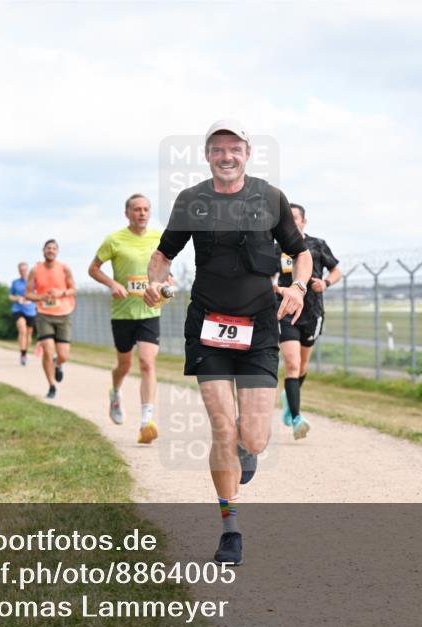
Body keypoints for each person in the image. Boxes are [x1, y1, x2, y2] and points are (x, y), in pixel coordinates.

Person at [143, 119, 311, 565]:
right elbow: (163, 255)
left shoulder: (270, 198)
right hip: (208, 326)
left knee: (252, 438)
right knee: (221, 428)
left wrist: (297, 287)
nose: (226, 156)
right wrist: (154, 281)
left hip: (260, 326)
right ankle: (230, 528)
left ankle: (245, 449)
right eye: (217, 149)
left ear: (248, 153)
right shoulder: (191, 200)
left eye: (234, 148)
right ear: (207, 156)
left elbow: (301, 253)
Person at [88, 193, 171, 444]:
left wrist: (167, 282)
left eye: (146, 209)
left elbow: (165, 268)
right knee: (124, 366)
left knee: (147, 362)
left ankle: (146, 421)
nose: (142, 213)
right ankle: (115, 392)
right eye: (137, 209)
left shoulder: (159, 238)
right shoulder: (114, 240)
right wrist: (112, 284)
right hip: (123, 313)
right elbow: (93, 269)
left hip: (150, 310)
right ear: (127, 213)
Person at [275, 203, 341, 440]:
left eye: (295, 218)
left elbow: (336, 271)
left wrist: (325, 283)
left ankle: (289, 398)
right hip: (286, 312)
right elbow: (269, 277)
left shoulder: (317, 245)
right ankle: (296, 419)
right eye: (288, 217)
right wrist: (275, 288)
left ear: (304, 221)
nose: (292, 222)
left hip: (313, 313)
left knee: (302, 366)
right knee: (292, 365)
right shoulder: (276, 248)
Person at [26, 240, 76, 398]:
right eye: (48, 248)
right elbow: (28, 294)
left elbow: (73, 289)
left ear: (57, 252)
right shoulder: (35, 270)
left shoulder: (64, 268)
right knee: (48, 351)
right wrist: (42, 297)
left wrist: (61, 293)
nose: (51, 251)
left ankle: (58, 364)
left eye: (54, 248)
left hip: (63, 314)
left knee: (64, 355)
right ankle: (52, 386)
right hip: (44, 315)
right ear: (43, 250)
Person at [9, 262, 38, 365]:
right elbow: (10, 296)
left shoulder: (33, 282)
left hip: (30, 310)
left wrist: (31, 298)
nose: (23, 271)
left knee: (29, 334)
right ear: (18, 271)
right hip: (18, 309)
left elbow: (38, 295)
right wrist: (17, 298)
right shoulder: (15, 282)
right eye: (21, 270)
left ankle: (25, 352)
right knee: (22, 330)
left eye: (25, 270)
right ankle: (22, 354)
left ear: (27, 270)